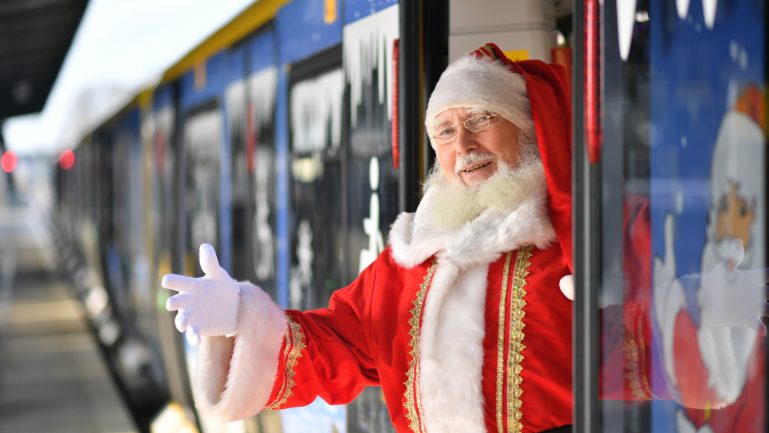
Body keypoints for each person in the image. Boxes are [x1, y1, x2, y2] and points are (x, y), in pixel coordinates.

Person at [162, 43, 582, 433]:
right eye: (446, 132)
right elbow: (332, 349)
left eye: (479, 120)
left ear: (526, 127)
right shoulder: (408, 266)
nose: (464, 146)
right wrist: (240, 317)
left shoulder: (586, 240)